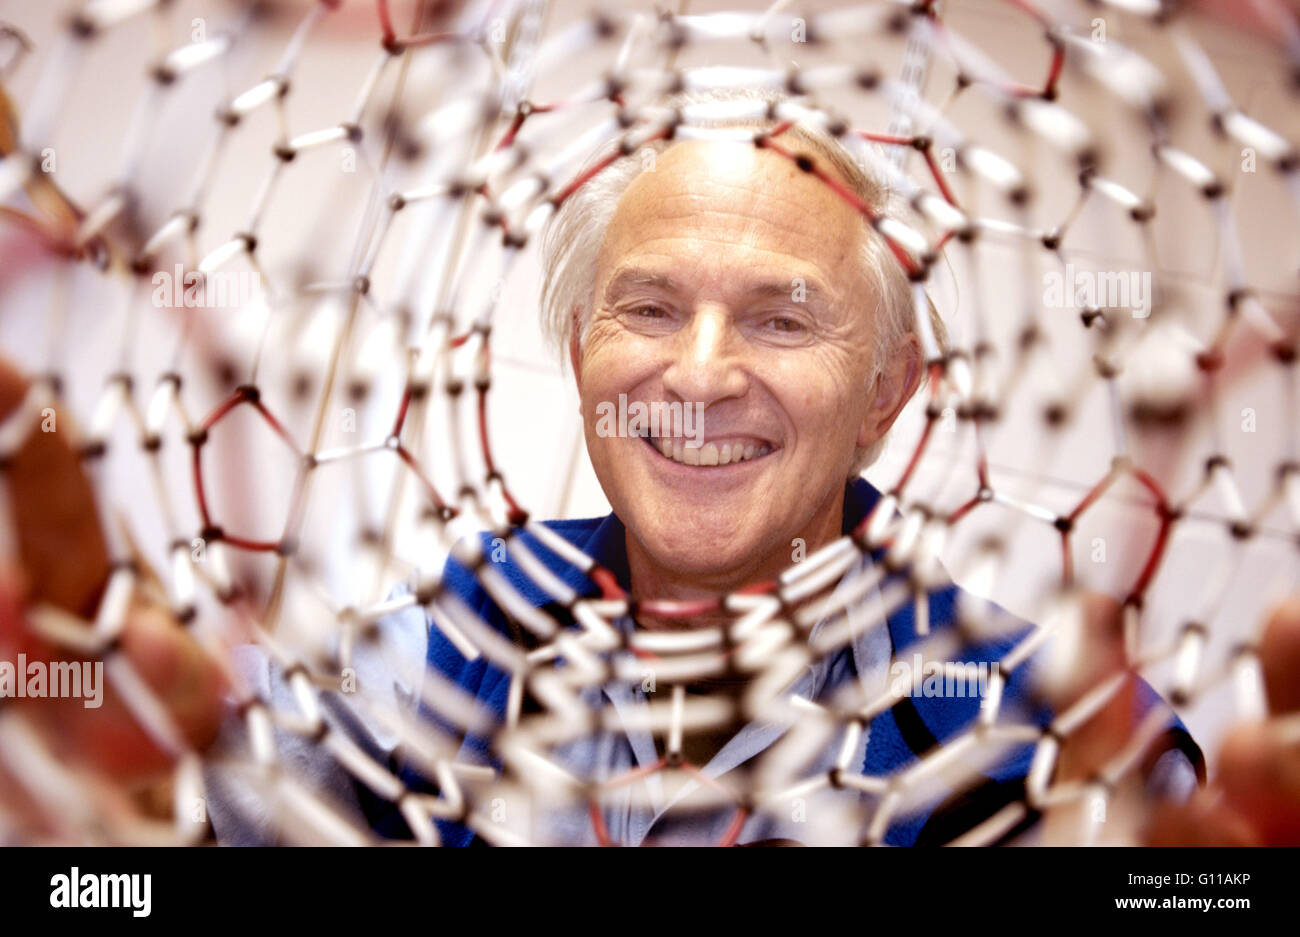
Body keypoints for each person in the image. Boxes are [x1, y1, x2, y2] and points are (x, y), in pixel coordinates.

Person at [0, 89, 1296, 847]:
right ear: (579, 355)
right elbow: (226, 793)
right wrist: (150, 780)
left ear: (887, 399)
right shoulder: (445, 642)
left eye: (783, 318)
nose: (698, 374)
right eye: (650, 308)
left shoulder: (1029, 722)